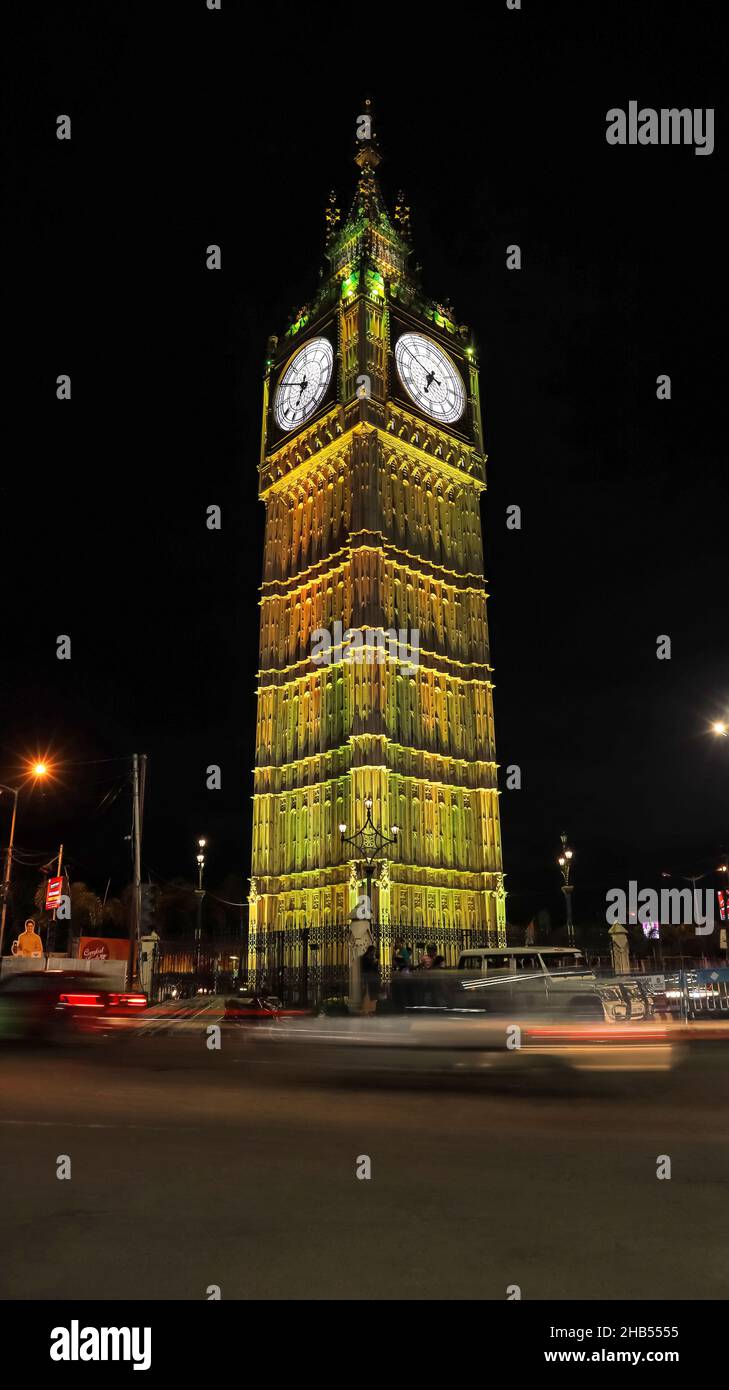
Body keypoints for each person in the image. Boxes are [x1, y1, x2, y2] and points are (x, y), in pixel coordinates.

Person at [360, 944, 380, 1015]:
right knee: (369, 993)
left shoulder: (369, 957)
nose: (374, 952)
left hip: (370, 977)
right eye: (374, 951)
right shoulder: (367, 958)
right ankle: (368, 1009)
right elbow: (369, 967)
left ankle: (369, 1009)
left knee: (370, 994)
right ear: (370, 951)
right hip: (369, 978)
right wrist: (374, 962)